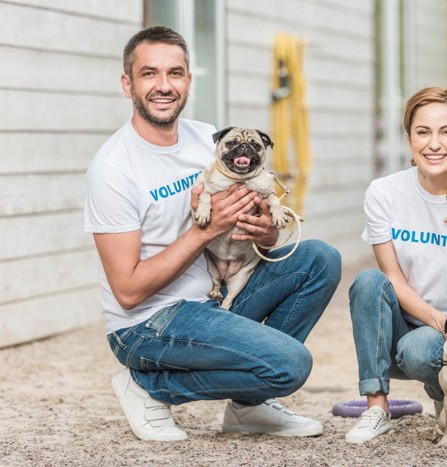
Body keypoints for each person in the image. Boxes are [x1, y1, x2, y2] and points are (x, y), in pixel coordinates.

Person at [84, 26, 341, 442]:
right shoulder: (113, 170)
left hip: (215, 296)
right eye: (149, 74)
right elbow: (128, 291)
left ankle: (247, 408)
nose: (164, 86)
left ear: (189, 80)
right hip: (148, 324)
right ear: (127, 83)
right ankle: (148, 386)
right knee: (289, 366)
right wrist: (207, 231)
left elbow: (256, 221)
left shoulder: (208, 139)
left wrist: (266, 232)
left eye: (175, 73)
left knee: (320, 259)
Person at [344, 86, 447, 444]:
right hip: (396, 331)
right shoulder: (383, 193)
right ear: (409, 139)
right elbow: (392, 278)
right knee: (368, 282)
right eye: (423, 132)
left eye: (446, 132)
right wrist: (438, 318)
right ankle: (376, 407)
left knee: (420, 349)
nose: (434, 144)